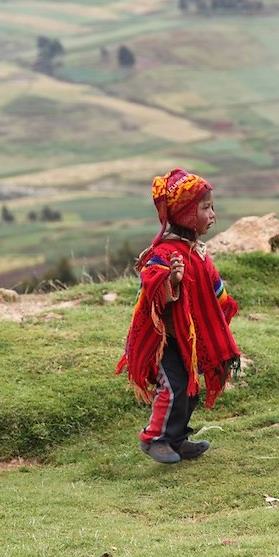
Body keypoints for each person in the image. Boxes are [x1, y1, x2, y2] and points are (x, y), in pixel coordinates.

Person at [116, 168, 241, 464]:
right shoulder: (164, 252)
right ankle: (153, 438)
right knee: (172, 388)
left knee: (189, 389)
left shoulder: (196, 251)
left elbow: (212, 288)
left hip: (187, 339)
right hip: (163, 340)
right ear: (186, 214)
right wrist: (171, 281)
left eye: (212, 207)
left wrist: (221, 308)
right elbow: (150, 281)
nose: (213, 215)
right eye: (206, 208)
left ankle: (177, 440)